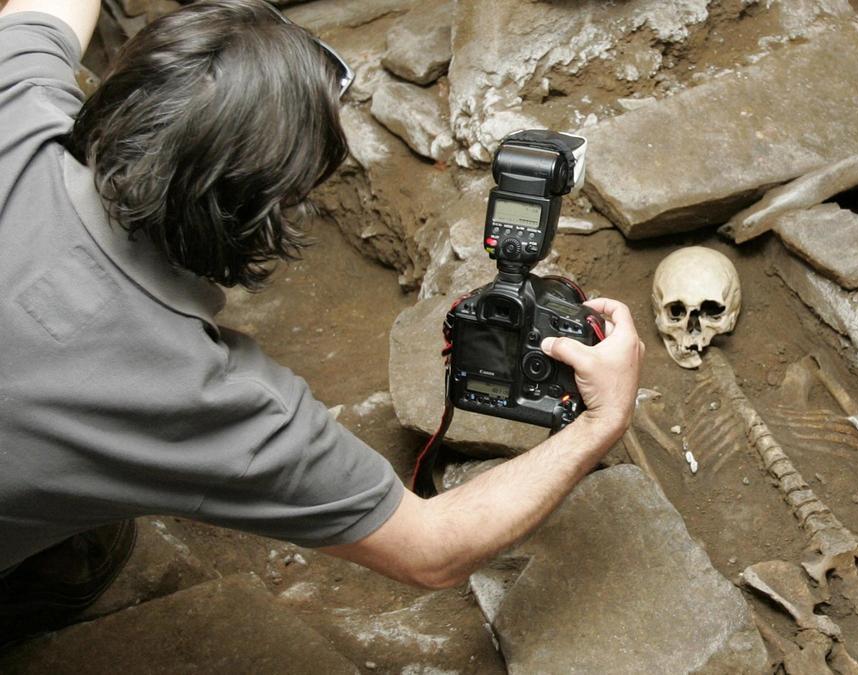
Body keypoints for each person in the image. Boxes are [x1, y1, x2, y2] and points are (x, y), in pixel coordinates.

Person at [0, 0, 643, 645]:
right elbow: (432, 548)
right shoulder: (204, 399)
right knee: (97, 549)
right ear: (271, 214)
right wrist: (603, 419)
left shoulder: (18, 109)